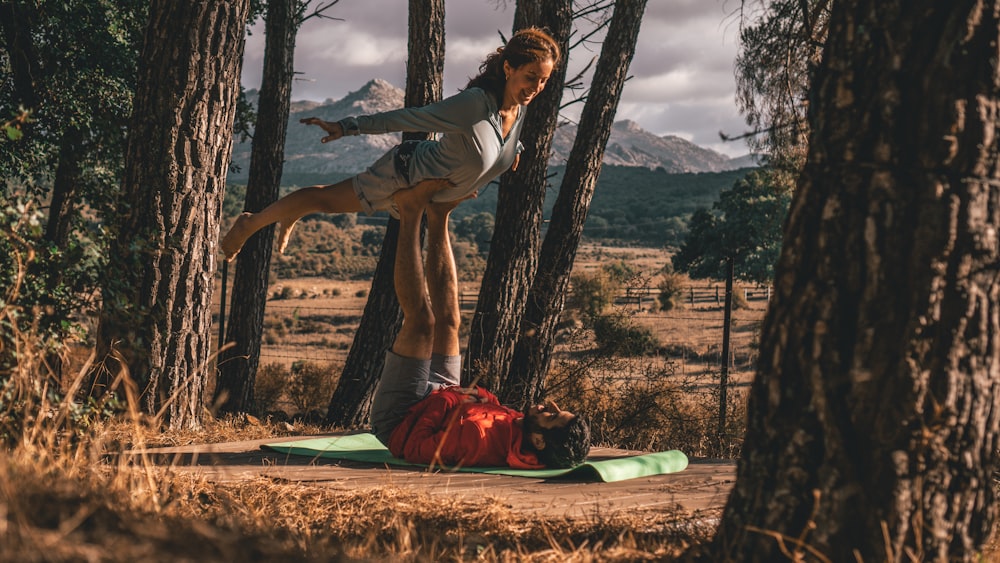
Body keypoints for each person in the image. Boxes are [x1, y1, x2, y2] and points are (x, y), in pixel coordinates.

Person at [221, 27, 561, 262]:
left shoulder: (519, 107)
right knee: (323, 199)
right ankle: (251, 223)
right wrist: (346, 125)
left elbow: (502, 140)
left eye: (544, 80)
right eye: (530, 76)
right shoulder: (473, 105)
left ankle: (288, 214)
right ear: (508, 68)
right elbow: (409, 118)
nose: (536, 86)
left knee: (324, 201)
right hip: (404, 173)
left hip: (426, 194)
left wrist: (513, 152)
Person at [370, 180, 590, 469]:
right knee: (450, 322)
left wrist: (448, 400)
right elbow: (487, 406)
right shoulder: (520, 427)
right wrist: (475, 395)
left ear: (539, 441)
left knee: (423, 323)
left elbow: (411, 447)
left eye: (552, 416)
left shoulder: (479, 441)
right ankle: (438, 215)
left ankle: (409, 212)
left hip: (402, 416)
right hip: (443, 396)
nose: (550, 406)